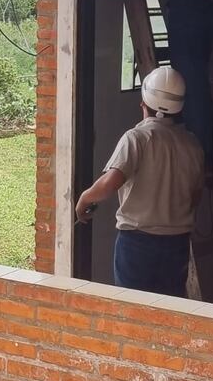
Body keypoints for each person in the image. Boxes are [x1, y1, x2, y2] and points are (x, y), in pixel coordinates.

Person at [75, 66, 204, 298]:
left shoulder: (137, 138)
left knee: (132, 309)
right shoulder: (192, 144)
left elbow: (110, 183)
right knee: (169, 308)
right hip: (177, 244)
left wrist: (84, 200)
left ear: (144, 103)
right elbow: (195, 196)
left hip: (138, 243)